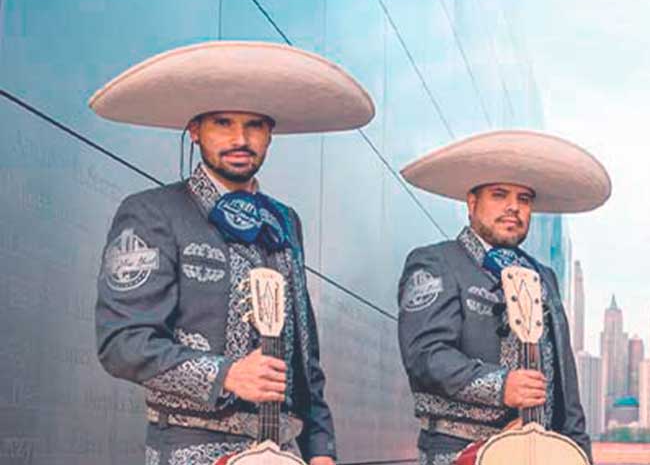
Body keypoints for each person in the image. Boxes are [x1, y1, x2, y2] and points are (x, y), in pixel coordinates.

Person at [92, 40, 375, 464]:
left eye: (255, 125)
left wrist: (320, 449)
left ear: (269, 135)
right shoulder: (153, 212)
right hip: (188, 447)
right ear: (195, 130)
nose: (240, 139)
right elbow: (123, 343)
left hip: (283, 451)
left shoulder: (285, 220)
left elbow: (305, 353)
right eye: (223, 123)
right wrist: (228, 374)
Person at [396, 130, 610, 465]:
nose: (513, 207)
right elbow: (426, 357)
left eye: (524, 199)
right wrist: (501, 384)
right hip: (458, 453)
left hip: (542, 454)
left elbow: (568, 390)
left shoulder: (544, 277)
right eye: (499, 194)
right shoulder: (437, 262)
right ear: (472, 202)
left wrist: (580, 455)